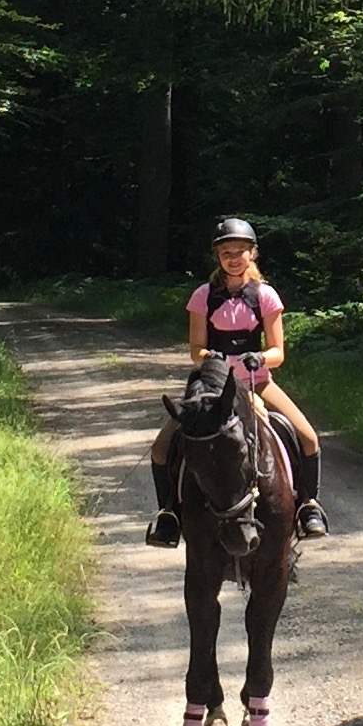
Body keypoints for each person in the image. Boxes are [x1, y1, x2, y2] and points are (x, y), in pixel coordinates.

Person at [146, 218, 330, 547]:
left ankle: (307, 506)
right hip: (214, 385)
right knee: (162, 447)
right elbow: (195, 349)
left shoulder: (265, 296)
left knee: (308, 437)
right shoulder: (203, 296)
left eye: (240, 251)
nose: (233, 258)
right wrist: (212, 358)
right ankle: (169, 515)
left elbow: (277, 351)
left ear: (252, 254)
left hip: (256, 381)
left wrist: (258, 358)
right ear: (217, 256)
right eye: (226, 252)